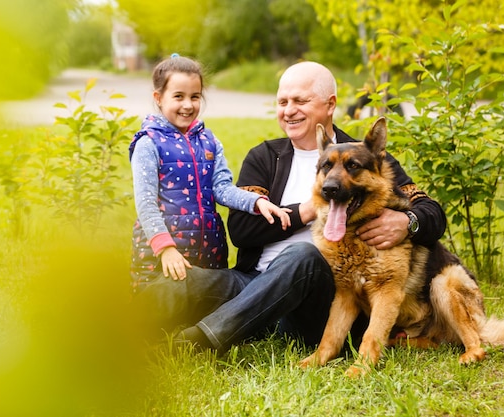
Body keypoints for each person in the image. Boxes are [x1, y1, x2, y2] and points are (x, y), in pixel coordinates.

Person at [135, 61, 447, 352]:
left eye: (300, 101)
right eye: (283, 102)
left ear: (330, 105)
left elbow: (431, 212)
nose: (289, 111)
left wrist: (408, 222)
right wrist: (307, 210)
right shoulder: (264, 157)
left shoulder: (363, 159)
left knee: (303, 255)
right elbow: (241, 231)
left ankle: (201, 341)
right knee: (186, 281)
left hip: (317, 302)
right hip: (253, 284)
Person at [128, 54, 290, 338]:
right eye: (178, 96)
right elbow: (145, 203)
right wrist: (165, 249)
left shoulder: (209, 141)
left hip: (208, 253)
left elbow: (222, 188)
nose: (188, 105)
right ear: (158, 97)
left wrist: (256, 201)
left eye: (195, 96)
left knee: (203, 303)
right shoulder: (148, 143)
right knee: (161, 306)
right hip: (164, 254)